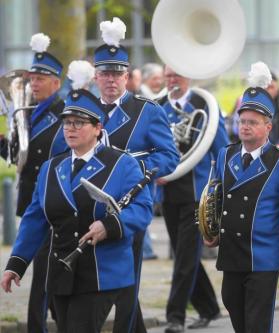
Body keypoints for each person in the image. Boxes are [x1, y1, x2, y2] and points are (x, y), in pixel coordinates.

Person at [1, 60, 153, 332]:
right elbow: (36, 218)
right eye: (67, 122)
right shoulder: (51, 168)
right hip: (61, 271)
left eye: (79, 123)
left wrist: (110, 226)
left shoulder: (122, 164)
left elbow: (142, 210)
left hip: (101, 273)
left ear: (98, 129)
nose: (70, 128)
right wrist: (17, 262)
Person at [204, 62, 279, 333]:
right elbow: (216, 198)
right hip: (231, 252)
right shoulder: (226, 154)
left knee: (257, 323)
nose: (245, 127)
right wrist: (210, 229)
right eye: (242, 121)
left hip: (261, 255)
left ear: (268, 127)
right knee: (233, 306)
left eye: (253, 122)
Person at [93, 17, 180, 332]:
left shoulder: (147, 111)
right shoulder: (83, 112)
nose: (111, 80)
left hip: (131, 206)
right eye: (105, 73)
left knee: (126, 283)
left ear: (127, 76)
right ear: (95, 77)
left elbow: (170, 156)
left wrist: (134, 172)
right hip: (88, 206)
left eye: (117, 73)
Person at [0, 32, 68, 333]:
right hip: (30, 199)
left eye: (41, 79)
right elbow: (19, 156)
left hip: (50, 204)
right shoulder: (27, 112)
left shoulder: (65, 112)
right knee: (47, 275)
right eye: (31, 79)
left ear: (56, 82)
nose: (33, 84)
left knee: (41, 275)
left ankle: (37, 328)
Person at [155, 65, 227, 333]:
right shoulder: (158, 106)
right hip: (167, 191)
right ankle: (209, 308)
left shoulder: (204, 105)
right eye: (169, 75)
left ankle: (175, 317)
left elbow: (220, 149)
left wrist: (221, 190)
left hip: (196, 193)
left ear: (188, 76)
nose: (173, 80)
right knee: (187, 255)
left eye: (178, 75)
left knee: (184, 257)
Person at [229, 71, 279, 147]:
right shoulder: (245, 104)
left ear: (277, 89)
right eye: (265, 87)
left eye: (271, 87)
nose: (268, 91)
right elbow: (235, 129)